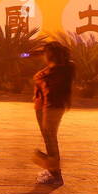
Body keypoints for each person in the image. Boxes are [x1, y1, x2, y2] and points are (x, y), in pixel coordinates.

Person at [32, 40, 74, 186]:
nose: (44, 55)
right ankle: (52, 171)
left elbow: (48, 87)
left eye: (46, 52)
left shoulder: (57, 71)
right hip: (47, 107)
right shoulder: (61, 68)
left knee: (50, 140)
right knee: (49, 139)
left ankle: (56, 175)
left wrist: (40, 75)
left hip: (49, 108)